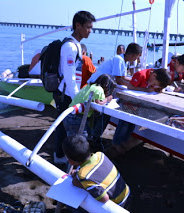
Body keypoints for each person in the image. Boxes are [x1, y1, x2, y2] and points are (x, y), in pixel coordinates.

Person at [53, 11, 96, 164]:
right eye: (88, 27)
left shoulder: (76, 45)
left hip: (68, 93)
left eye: (91, 27)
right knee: (63, 126)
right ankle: (59, 156)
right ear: (78, 26)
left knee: (64, 125)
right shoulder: (70, 47)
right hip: (65, 94)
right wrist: (78, 99)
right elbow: (70, 77)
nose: (90, 30)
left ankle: (61, 155)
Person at [111, 68, 171, 154]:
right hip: (128, 104)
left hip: (138, 105)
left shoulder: (153, 76)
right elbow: (130, 87)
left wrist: (157, 88)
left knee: (131, 125)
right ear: (154, 76)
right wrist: (146, 90)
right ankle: (116, 144)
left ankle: (123, 142)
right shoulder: (141, 75)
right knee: (124, 124)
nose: (153, 84)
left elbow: (153, 86)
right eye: (154, 83)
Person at [62, 134, 130, 208]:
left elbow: (104, 198)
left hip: (118, 206)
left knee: (74, 207)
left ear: (70, 161)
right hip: (127, 194)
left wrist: (80, 184)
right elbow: (96, 172)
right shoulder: (100, 155)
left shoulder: (84, 176)